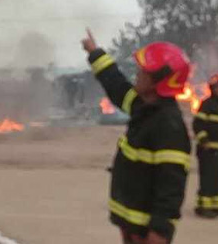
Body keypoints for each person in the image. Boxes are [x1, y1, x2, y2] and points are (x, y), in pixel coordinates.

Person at [82, 30, 191, 244]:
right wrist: (94, 53)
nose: (138, 74)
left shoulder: (169, 126)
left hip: (146, 233)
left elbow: (171, 184)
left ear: (159, 80)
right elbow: (116, 85)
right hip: (131, 225)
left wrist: (160, 231)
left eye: (144, 71)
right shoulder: (144, 107)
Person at [193, 73, 218, 218]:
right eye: (217, 87)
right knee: (208, 178)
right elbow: (198, 124)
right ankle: (203, 207)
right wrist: (204, 141)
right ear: (212, 89)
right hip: (207, 149)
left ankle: (217, 206)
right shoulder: (207, 104)